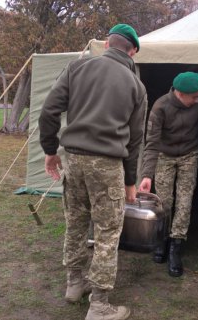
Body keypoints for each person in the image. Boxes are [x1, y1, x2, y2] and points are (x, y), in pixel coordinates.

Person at [39, 24, 146, 320]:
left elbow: (49, 111)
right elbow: (135, 139)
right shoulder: (136, 86)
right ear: (132, 50)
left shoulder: (76, 68)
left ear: (108, 44)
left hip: (72, 159)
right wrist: (130, 182)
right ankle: (99, 305)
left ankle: (75, 284)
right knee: (108, 232)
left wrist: (50, 151)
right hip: (107, 164)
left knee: (75, 222)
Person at [139, 72, 198, 277]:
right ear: (180, 93)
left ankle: (177, 245)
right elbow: (151, 144)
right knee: (165, 202)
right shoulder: (160, 107)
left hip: (189, 156)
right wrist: (147, 175)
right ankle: (162, 240)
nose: (197, 100)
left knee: (184, 202)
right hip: (164, 156)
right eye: (193, 96)